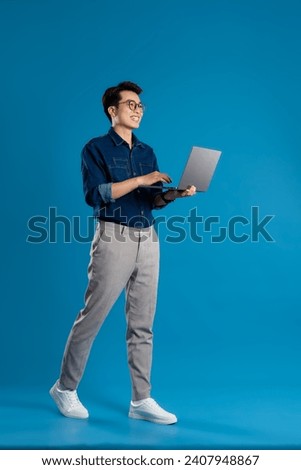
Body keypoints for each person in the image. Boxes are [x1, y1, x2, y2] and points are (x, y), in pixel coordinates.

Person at [50, 81, 196, 425]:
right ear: (112, 111)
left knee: (143, 324)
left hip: (148, 238)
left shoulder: (147, 152)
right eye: (130, 104)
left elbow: (152, 199)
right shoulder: (95, 148)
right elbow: (96, 194)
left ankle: (141, 399)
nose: (138, 109)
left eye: (141, 105)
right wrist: (142, 180)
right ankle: (65, 388)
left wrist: (174, 194)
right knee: (93, 316)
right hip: (113, 236)